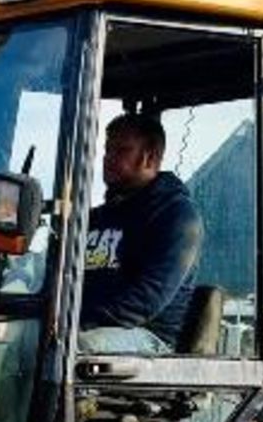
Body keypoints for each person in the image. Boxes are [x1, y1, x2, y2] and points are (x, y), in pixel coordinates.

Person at [78, 113, 203, 353]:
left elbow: (148, 298)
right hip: (86, 325)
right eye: (107, 150)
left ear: (150, 157)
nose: (108, 158)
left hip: (147, 338)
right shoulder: (95, 218)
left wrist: (77, 322)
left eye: (122, 150)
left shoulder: (177, 215)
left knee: (77, 347)